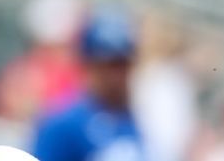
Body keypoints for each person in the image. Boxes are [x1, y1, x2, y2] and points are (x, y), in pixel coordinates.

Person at [32, 10, 147, 161]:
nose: (117, 75)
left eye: (123, 64)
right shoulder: (62, 122)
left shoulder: (131, 118)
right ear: (89, 64)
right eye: (110, 65)